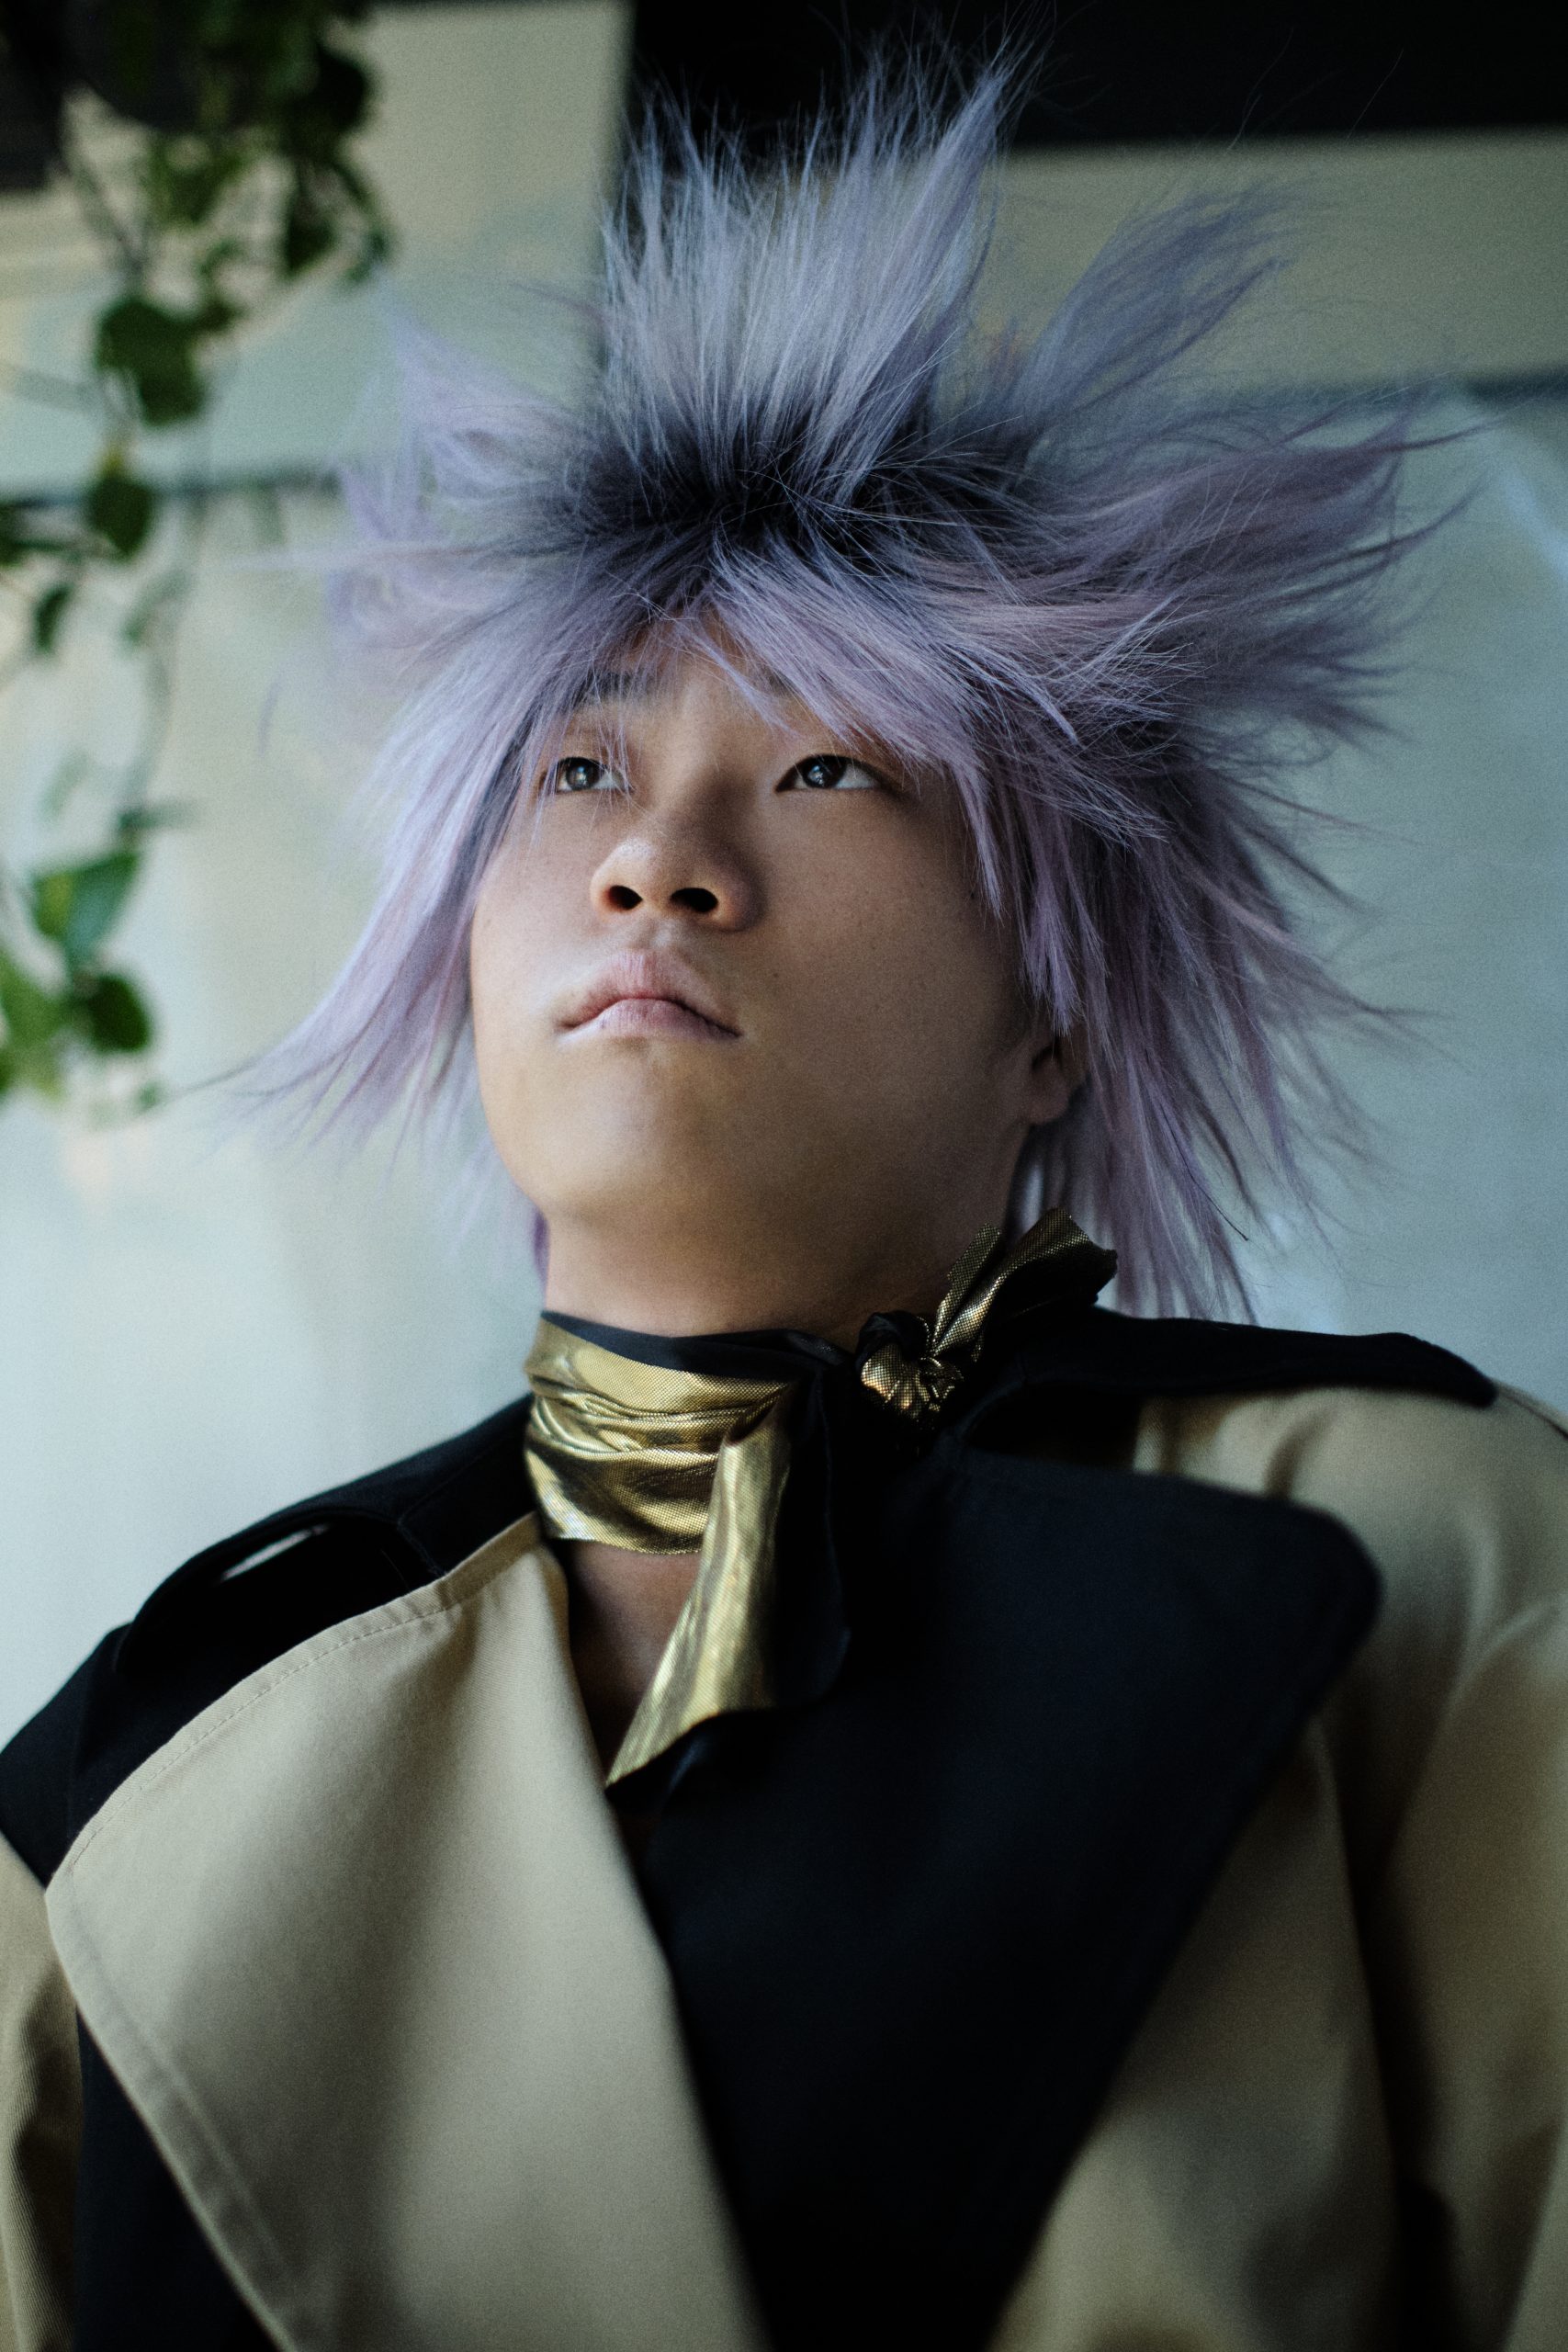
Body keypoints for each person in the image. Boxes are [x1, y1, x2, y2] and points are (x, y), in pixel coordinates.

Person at [3, 66, 1566, 2352]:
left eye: (825, 762)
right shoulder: (139, 1764)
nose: (656, 856)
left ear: (1055, 1008)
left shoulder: (1433, 1550)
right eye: (579, 764)